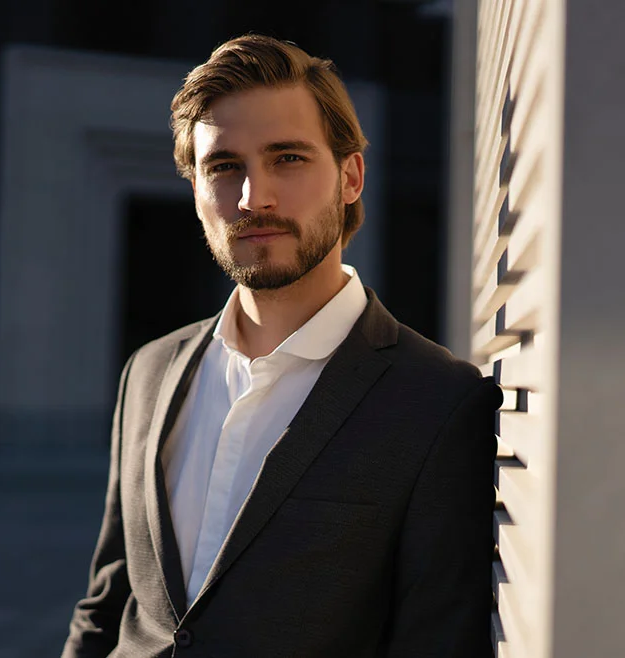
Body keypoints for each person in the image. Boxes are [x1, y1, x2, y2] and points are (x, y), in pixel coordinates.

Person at [62, 34, 501, 658]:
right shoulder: (151, 370)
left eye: (288, 158)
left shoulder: (439, 401)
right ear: (195, 189)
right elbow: (109, 606)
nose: (253, 197)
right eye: (224, 166)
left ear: (350, 177)